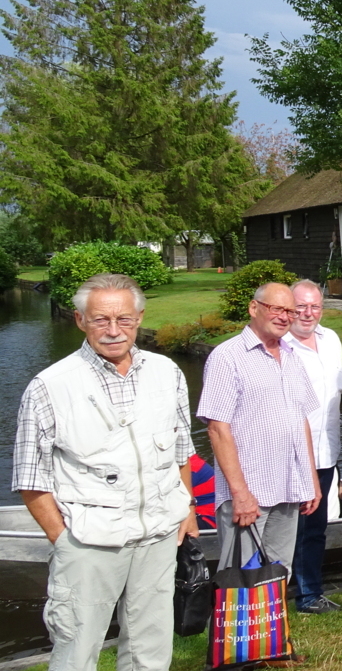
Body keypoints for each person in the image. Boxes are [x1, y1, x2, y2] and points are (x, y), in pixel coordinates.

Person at [12, 274, 198, 671]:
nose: (114, 331)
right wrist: (64, 540)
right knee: (76, 651)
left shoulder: (167, 373)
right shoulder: (50, 386)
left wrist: (188, 509)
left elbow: (182, 449)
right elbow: (31, 479)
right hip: (89, 543)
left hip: (159, 536)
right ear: (80, 320)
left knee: (150, 651)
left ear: (139, 318)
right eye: (100, 320)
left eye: (124, 320)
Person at [200, 282, 322, 584]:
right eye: (276, 309)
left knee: (278, 572)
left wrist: (311, 481)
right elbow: (217, 428)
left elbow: (301, 420)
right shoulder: (226, 357)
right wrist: (240, 494)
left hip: (288, 486)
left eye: (290, 311)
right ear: (254, 308)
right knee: (241, 577)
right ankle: (237, 633)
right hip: (250, 492)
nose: (284, 317)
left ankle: (273, 632)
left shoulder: (292, 356)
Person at [285, 279, 342, 614]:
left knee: (315, 528)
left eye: (315, 306)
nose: (308, 313)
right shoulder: (280, 346)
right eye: (301, 306)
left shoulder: (332, 340)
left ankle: (309, 594)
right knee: (283, 529)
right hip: (287, 456)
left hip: (326, 453)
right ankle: (273, 597)